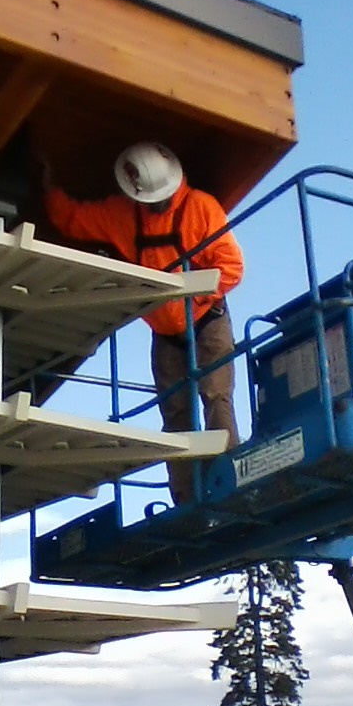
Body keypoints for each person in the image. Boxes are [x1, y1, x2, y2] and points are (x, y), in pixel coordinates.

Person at [42, 141, 244, 504]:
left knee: (217, 398)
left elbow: (231, 267)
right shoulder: (119, 214)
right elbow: (73, 219)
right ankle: (186, 496)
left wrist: (191, 298)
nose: (158, 204)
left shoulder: (201, 208)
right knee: (175, 415)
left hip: (207, 320)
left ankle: (229, 481)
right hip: (165, 334)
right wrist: (46, 187)